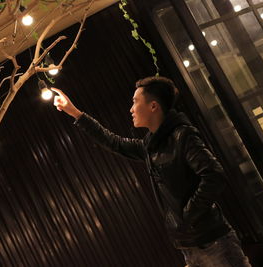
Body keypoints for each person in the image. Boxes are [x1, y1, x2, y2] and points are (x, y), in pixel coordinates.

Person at [52, 76, 251, 267]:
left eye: (135, 102)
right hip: (188, 245)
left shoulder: (183, 136)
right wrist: (76, 113)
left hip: (212, 242)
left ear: (153, 106)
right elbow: (115, 143)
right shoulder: (152, 145)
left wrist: (187, 215)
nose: (131, 109)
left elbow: (214, 175)